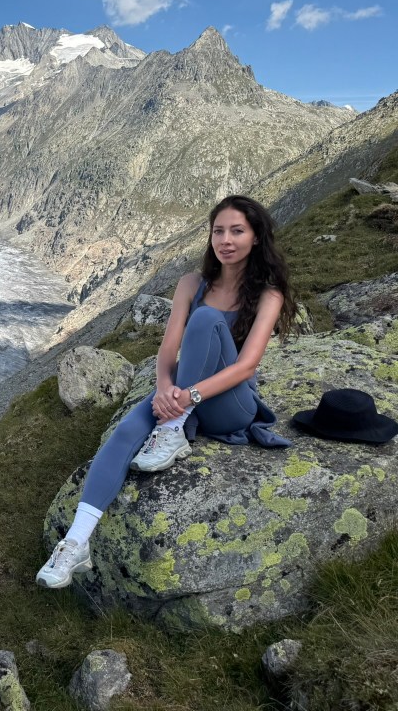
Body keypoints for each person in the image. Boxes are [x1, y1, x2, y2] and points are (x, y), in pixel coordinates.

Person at [37, 195, 298, 589]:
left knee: (208, 319)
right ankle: (75, 543)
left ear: (257, 237)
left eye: (237, 231)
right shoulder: (191, 284)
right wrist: (163, 390)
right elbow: (167, 351)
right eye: (218, 231)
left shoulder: (268, 293)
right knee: (125, 431)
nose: (225, 240)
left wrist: (184, 400)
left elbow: (246, 366)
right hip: (182, 400)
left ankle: (173, 426)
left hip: (232, 404)